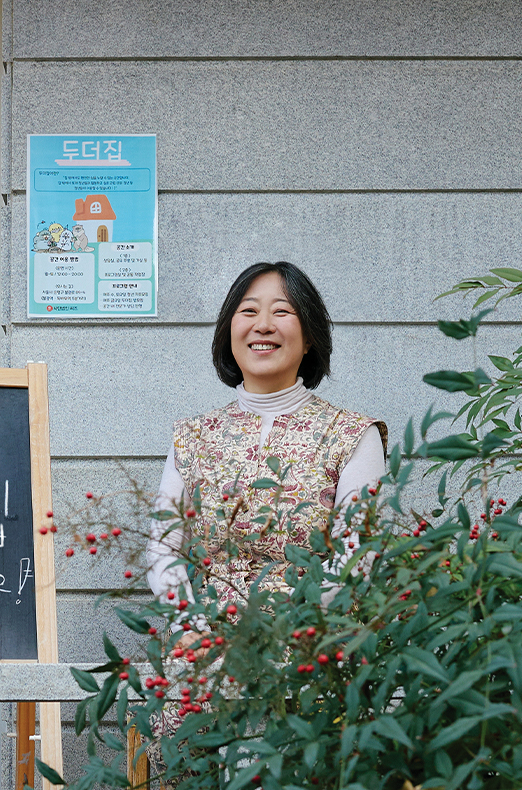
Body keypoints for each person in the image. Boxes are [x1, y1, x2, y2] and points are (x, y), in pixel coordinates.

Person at [147, 261, 388, 613]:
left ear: (309, 338)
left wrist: (281, 631)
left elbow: (356, 558)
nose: (263, 325)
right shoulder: (192, 436)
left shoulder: (352, 435)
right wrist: (188, 624)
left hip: (311, 636)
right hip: (204, 636)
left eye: (282, 312)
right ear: (229, 332)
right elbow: (163, 549)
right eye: (248, 311)